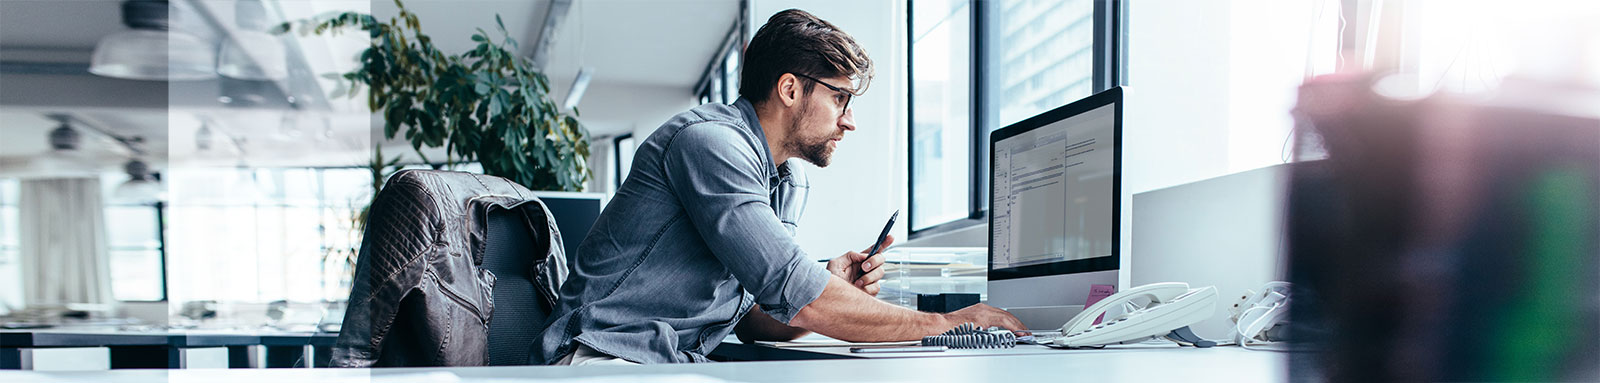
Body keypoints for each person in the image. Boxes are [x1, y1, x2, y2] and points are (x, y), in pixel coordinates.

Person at [533, 9, 1025, 365]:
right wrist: (947, 325)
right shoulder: (710, 145)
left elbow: (751, 319)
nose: (849, 121)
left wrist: (831, 283)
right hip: (601, 358)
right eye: (840, 98)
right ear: (790, 89)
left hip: (669, 361)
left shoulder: (787, 178)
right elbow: (799, 293)